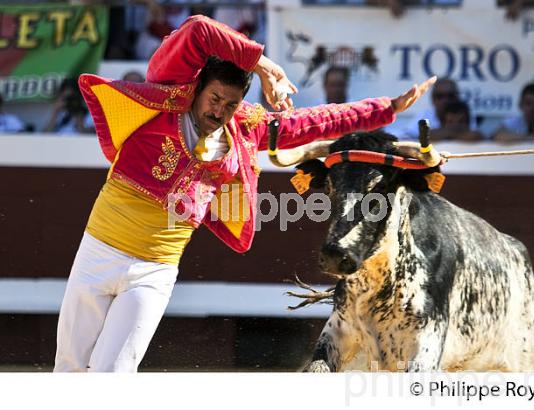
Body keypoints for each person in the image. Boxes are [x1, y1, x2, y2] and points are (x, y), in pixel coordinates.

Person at [53, 15, 436, 372]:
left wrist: (386, 108)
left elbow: (314, 121)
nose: (219, 111)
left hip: (155, 270)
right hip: (98, 253)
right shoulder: (166, 93)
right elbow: (200, 29)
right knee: (68, 370)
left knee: (111, 377)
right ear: (198, 88)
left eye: (230, 104)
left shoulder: (246, 127)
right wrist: (265, 66)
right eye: (214, 98)